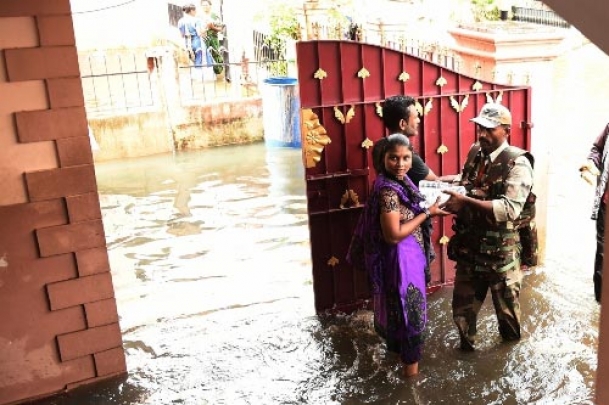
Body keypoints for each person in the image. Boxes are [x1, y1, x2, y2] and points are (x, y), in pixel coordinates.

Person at [348, 134, 449, 377]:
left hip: (407, 257)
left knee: (401, 311)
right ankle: (410, 382)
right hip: (400, 260)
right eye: (394, 158)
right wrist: (429, 213)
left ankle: (399, 365)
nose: (401, 164)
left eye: (406, 158)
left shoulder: (399, 182)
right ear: (383, 159)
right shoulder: (389, 192)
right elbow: (393, 235)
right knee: (408, 315)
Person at [441, 103, 534, 351]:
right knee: (462, 317)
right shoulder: (475, 152)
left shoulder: (519, 164)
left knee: (509, 325)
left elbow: (508, 209)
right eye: (480, 128)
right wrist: (441, 189)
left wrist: (465, 202)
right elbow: (465, 182)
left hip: (502, 256)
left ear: (506, 130)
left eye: (489, 129)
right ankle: (468, 360)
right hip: (470, 250)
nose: (482, 134)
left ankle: (507, 362)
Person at [580, 123, 609, 303]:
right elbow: (597, 148)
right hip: (606, 204)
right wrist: (591, 163)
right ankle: (600, 305)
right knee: (603, 255)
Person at [179, 4, 214, 80]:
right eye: (195, 10)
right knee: (203, 59)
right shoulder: (196, 20)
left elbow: (182, 35)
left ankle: (196, 77)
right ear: (191, 11)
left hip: (188, 44)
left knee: (193, 59)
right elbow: (199, 33)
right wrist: (208, 28)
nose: (196, 12)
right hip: (198, 42)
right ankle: (205, 78)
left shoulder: (181, 21)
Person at [199, 0, 227, 79]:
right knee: (204, 56)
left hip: (213, 39)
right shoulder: (199, 17)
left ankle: (218, 75)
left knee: (216, 55)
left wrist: (212, 27)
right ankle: (207, 76)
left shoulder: (214, 16)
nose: (205, 7)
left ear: (210, 6)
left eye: (206, 5)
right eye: (203, 5)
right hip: (203, 39)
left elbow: (221, 29)